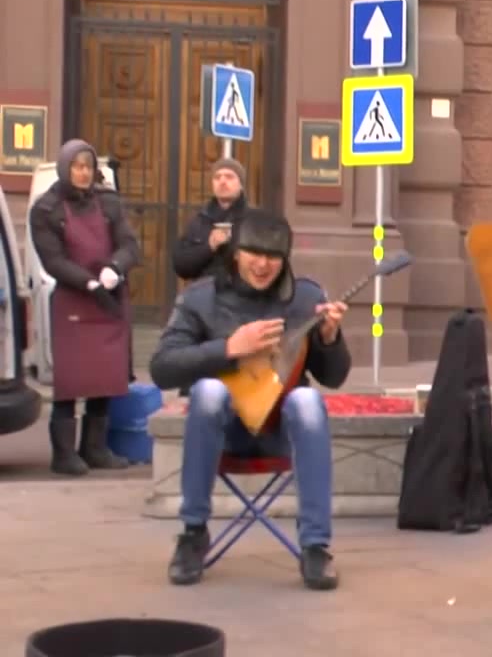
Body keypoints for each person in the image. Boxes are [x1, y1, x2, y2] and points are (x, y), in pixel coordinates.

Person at [149, 208, 352, 591]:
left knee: (307, 400)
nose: (262, 265)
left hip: (281, 434)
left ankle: (315, 546)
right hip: (221, 434)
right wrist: (229, 348)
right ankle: (193, 533)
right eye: (253, 253)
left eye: (273, 256)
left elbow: (335, 377)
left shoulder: (305, 298)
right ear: (235, 253)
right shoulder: (200, 299)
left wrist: (329, 339)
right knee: (208, 391)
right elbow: (162, 367)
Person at [29, 139, 141, 476]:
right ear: (65, 168)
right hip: (73, 301)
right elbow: (53, 260)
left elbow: (129, 243)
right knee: (71, 381)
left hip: (109, 301)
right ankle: (63, 454)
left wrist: (115, 268)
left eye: (88, 167)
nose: (83, 173)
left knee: (105, 377)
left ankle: (95, 449)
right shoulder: (46, 209)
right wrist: (89, 282)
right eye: (77, 167)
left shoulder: (108, 202)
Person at [172, 157, 248, 281]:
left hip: (240, 291)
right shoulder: (200, 220)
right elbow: (181, 266)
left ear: (241, 185)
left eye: (229, 177)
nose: (222, 181)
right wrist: (209, 247)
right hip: (204, 290)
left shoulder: (252, 220)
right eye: (217, 177)